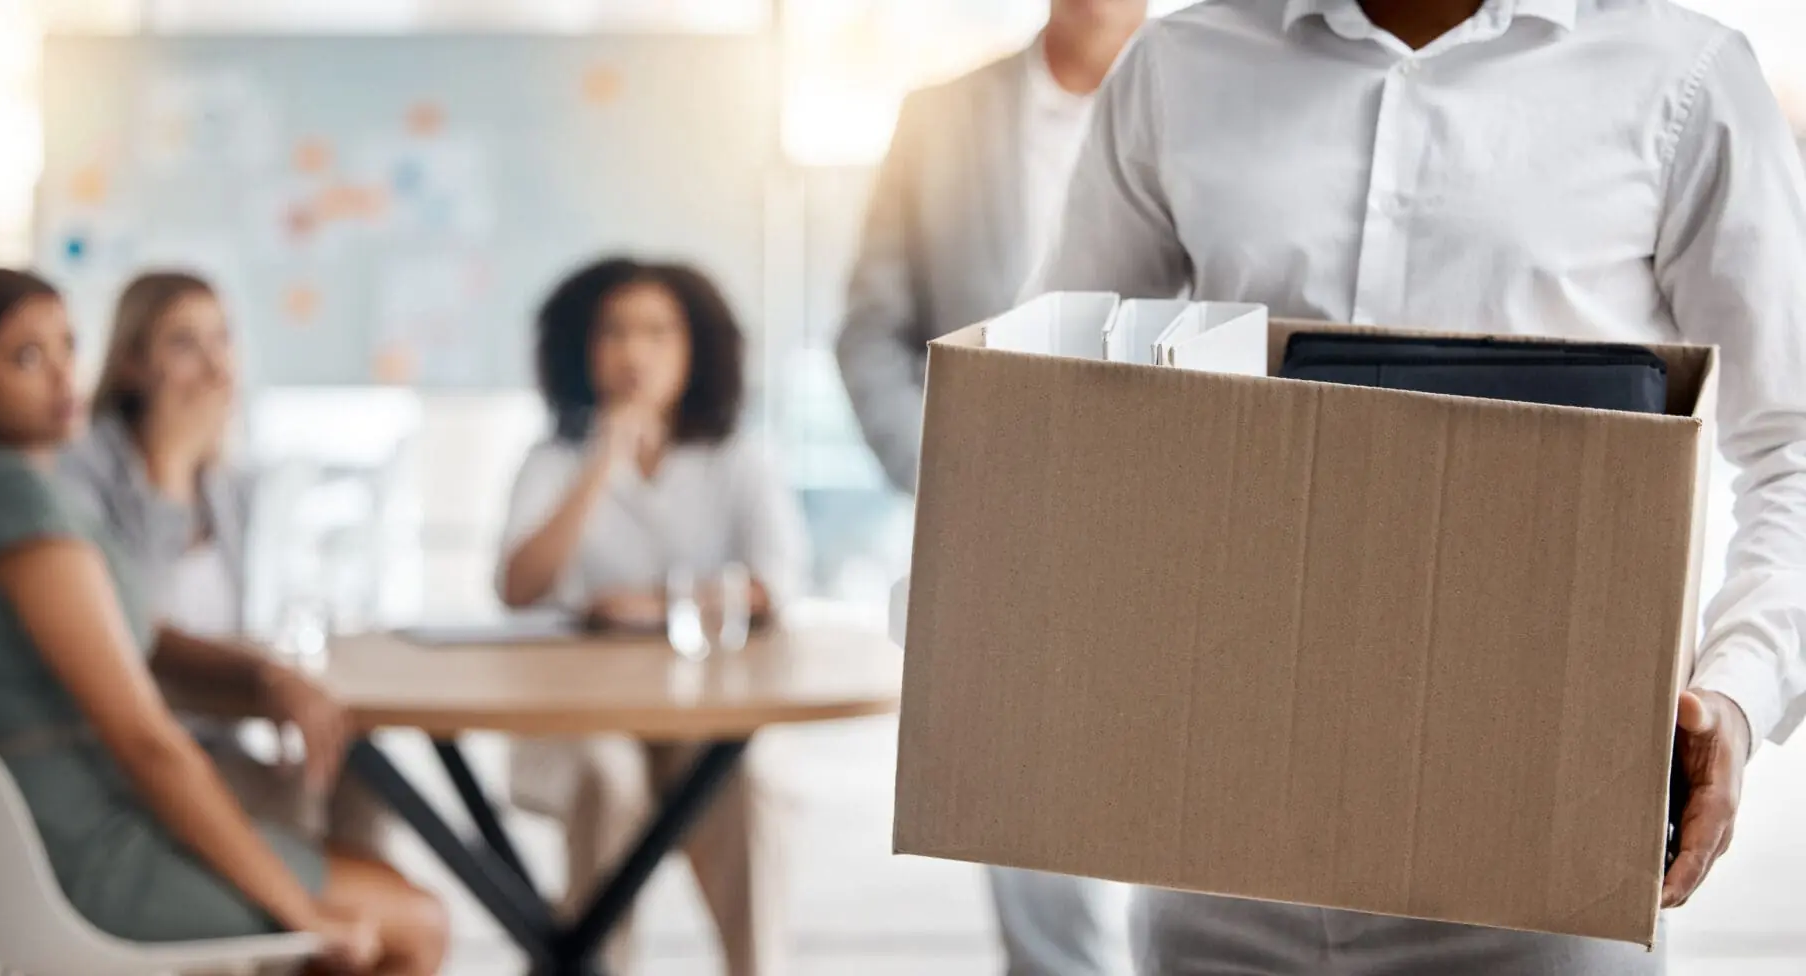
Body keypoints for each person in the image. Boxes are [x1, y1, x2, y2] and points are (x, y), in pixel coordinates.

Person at [1034, 1, 1806, 973]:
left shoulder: (1683, 74)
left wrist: (1735, 691)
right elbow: (1056, 404)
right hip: (1222, 854)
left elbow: (1792, 445)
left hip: (1544, 868)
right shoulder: (1180, 65)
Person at [0, 268, 448, 975]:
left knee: (356, 856)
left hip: (63, 827)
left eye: (68, 347)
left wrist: (260, 672)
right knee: (416, 922)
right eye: (26, 358)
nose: (63, 377)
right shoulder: (17, 512)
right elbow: (147, 742)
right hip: (89, 847)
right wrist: (298, 909)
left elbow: (139, 638)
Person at [834, 1, 1149, 973]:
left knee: (1197, 818)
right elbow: (870, 326)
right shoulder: (941, 116)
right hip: (998, 521)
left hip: (1172, 507)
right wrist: (943, 476)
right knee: (1023, 822)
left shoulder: (1213, 96)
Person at [494, 257, 807, 976]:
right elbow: (517, 585)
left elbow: (774, 586)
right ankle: (595, 964)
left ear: (695, 350)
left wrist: (649, 606)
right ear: (582, 348)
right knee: (607, 778)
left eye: (659, 333)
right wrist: (603, 458)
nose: (636, 353)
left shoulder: (737, 458)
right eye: (615, 333)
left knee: (748, 784)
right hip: (580, 721)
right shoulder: (553, 459)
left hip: (702, 717)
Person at [58, 270, 387, 860]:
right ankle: (317, 929)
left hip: (217, 727)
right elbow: (130, 629)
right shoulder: (83, 469)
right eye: (184, 344)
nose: (215, 367)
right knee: (286, 805)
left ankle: (345, 943)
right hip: (131, 748)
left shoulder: (225, 482)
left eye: (222, 340)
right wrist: (165, 471)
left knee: (365, 773)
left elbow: (244, 619)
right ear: (132, 362)